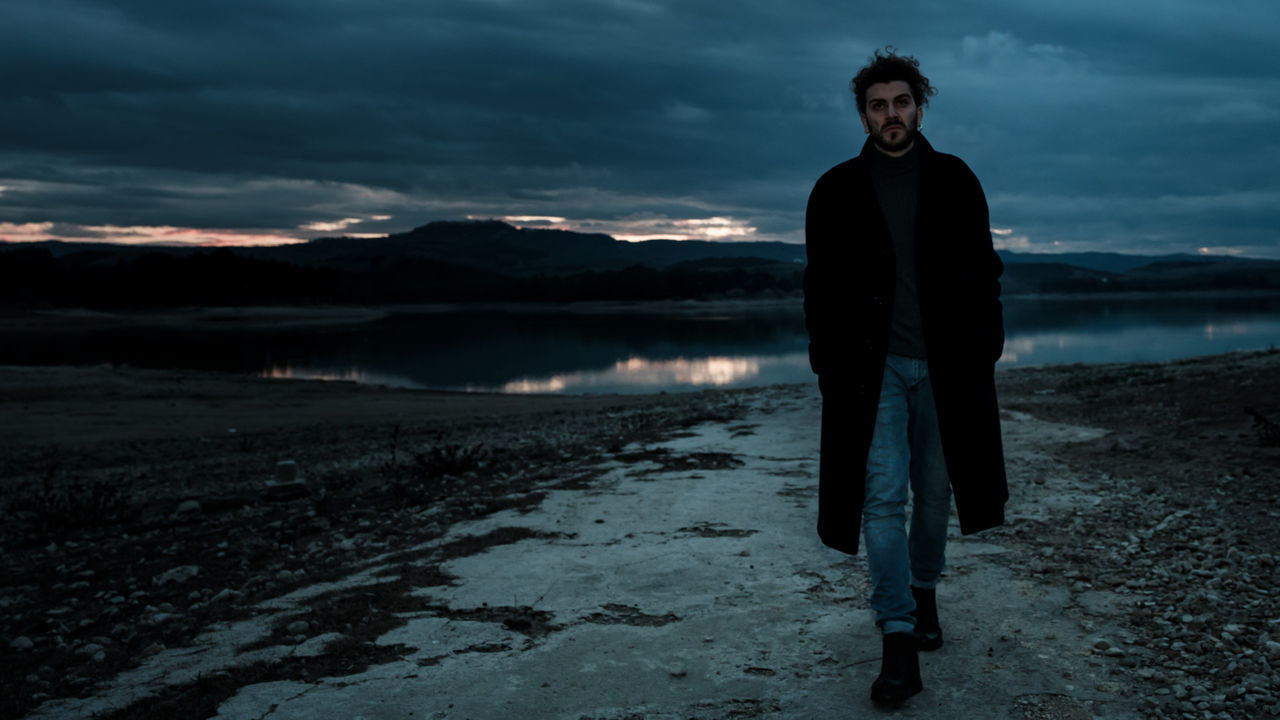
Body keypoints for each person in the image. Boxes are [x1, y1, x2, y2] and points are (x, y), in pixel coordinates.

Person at [802, 48, 1008, 704]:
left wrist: (988, 346)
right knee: (882, 498)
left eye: (901, 102)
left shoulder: (956, 179)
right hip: (872, 373)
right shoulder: (834, 190)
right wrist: (826, 361)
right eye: (877, 105)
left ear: (919, 106)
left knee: (936, 493)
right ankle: (896, 638)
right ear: (863, 116)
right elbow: (820, 287)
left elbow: (984, 269)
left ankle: (924, 594)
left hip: (949, 367)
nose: (891, 114)